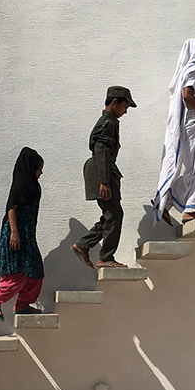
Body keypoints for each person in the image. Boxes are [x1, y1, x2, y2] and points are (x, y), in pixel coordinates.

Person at [154, 39, 195, 224]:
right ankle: (192, 210)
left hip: (189, 128)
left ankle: (168, 202)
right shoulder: (194, 72)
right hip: (192, 127)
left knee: (194, 170)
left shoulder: (187, 72)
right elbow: (187, 96)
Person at [73, 86, 136, 268]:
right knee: (115, 214)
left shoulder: (110, 122)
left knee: (111, 216)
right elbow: (100, 151)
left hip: (105, 170)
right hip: (103, 172)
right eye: (125, 106)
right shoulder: (107, 123)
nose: (125, 112)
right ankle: (106, 258)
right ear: (115, 102)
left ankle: (83, 245)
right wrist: (104, 181)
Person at [0, 147, 45, 320]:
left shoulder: (34, 187)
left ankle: (23, 305)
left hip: (27, 235)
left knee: (35, 271)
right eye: (38, 168)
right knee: (17, 271)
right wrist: (14, 232)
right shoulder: (21, 184)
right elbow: (11, 208)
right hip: (15, 233)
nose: (40, 172)